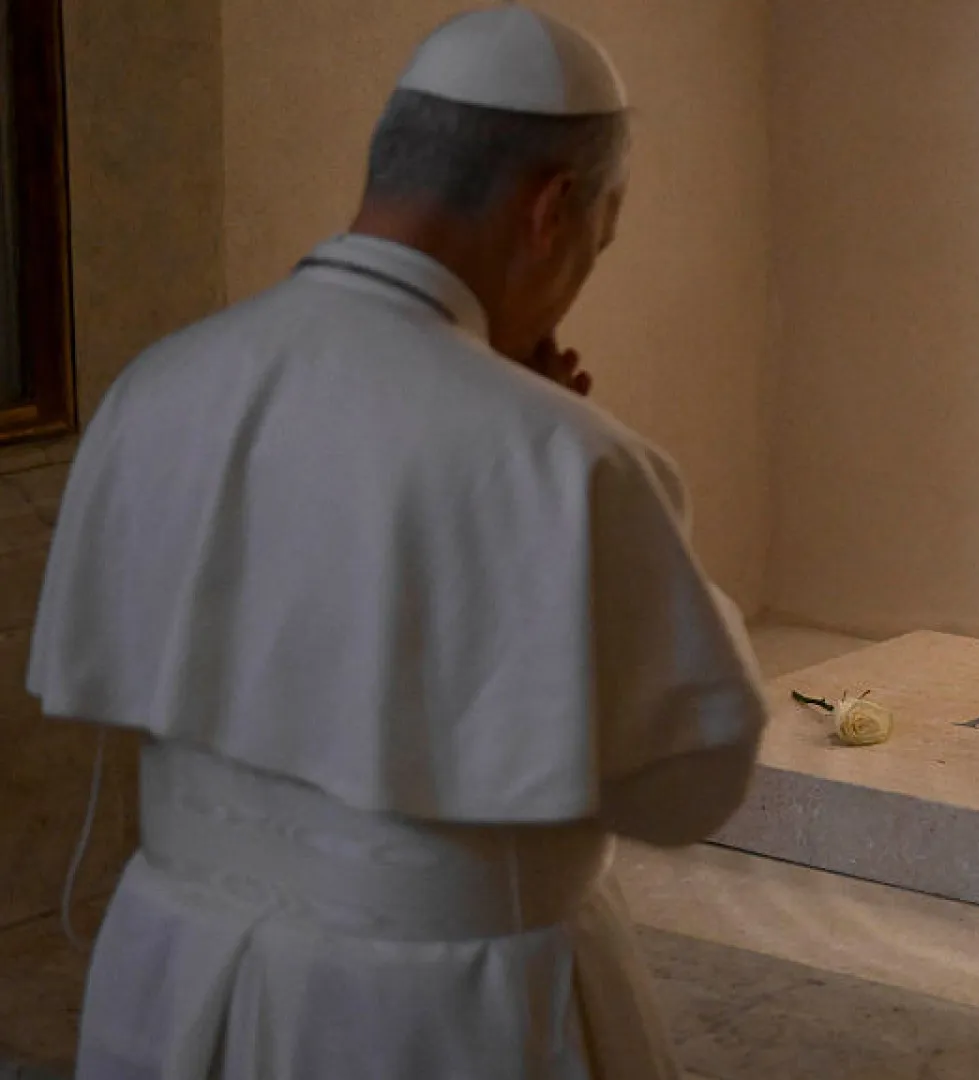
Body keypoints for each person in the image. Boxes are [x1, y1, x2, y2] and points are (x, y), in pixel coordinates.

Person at [26, 6, 768, 1078]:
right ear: (551, 209)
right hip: (434, 1018)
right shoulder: (570, 462)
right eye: (596, 247)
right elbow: (690, 782)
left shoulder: (156, 384)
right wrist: (552, 446)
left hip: (177, 979)